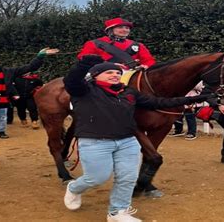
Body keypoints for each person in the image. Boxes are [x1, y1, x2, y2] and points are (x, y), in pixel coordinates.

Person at [62, 55, 209, 222]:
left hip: (127, 142)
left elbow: (159, 102)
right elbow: (72, 79)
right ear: (95, 75)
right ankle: (74, 188)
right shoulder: (84, 90)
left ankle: (117, 212)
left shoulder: (128, 92)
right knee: (97, 178)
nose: (115, 75)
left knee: (127, 178)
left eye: (117, 72)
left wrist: (198, 98)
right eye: (109, 72)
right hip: (95, 142)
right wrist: (86, 63)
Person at [77, 17, 156, 69]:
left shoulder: (138, 45)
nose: (125, 30)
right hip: (104, 74)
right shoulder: (94, 43)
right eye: (120, 27)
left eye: (127, 28)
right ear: (111, 30)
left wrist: (145, 66)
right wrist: (107, 65)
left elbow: (149, 60)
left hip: (131, 75)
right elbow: (83, 58)